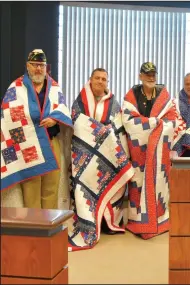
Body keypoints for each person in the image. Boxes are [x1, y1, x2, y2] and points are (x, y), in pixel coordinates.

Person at [68, 68, 134, 251]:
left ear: (107, 82)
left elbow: (117, 127)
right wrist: (99, 131)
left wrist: (102, 133)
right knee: (84, 187)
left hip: (107, 157)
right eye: (97, 78)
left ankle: (108, 223)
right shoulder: (80, 100)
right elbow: (77, 122)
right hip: (85, 157)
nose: (100, 81)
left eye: (104, 79)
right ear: (90, 80)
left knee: (116, 185)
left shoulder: (113, 103)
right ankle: (88, 222)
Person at [1, 49, 72, 209]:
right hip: (28, 145)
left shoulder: (54, 87)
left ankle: (48, 227)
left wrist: (55, 119)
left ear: (46, 67)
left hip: (51, 142)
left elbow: (62, 107)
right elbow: (8, 113)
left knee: (51, 187)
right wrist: (29, 120)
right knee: (31, 189)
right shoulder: (16, 87)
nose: (38, 68)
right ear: (27, 66)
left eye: (41, 65)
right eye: (34, 65)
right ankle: (33, 228)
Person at [122, 62, 177, 239]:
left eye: (153, 74)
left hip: (159, 149)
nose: (151, 77)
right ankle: (136, 220)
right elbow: (129, 119)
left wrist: (154, 126)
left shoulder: (164, 95)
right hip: (138, 148)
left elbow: (172, 120)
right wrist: (153, 124)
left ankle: (158, 217)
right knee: (137, 181)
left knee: (159, 180)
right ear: (140, 76)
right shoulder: (132, 94)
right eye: (147, 74)